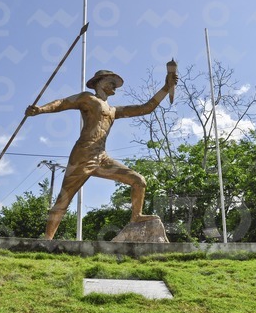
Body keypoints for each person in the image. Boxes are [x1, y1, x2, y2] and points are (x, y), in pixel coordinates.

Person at [26, 69, 177, 239]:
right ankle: (47, 239)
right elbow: (62, 103)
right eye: (111, 81)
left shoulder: (113, 110)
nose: (114, 86)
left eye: (115, 83)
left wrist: (166, 86)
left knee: (138, 181)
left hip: (102, 157)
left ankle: (136, 216)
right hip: (82, 156)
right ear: (99, 82)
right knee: (63, 200)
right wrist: (40, 110)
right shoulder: (88, 98)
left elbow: (145, 108)